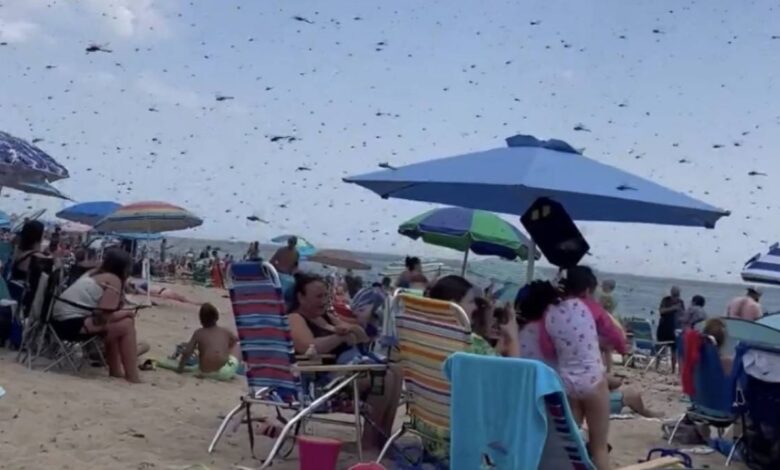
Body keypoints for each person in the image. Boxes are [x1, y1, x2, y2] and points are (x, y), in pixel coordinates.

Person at [287, 273, 401, 449]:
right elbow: (309, 348)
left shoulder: (325, 316)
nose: (324, 300)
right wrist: (340, 337)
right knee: (383, 377)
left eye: (326, 295)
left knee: (397, 371)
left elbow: (362, 339)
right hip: (321, 381)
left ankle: (383, 438)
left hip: (343, 371)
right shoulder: (295, 318)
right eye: (318, 296)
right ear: (301, 297)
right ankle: (369, 442)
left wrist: (353, 328)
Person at [517, 281, 611, 470]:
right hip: (589, 385)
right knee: (599, 446)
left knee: (569, 445)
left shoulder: (521, 336)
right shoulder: (562, 315)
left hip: (554, 401)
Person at [51, 248, 141, 383]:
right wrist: (127, 313)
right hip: (70, 325)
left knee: (122, 325)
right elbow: (102, 318)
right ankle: (132, 376)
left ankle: (116, 371)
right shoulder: (113, 280)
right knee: (126, 325)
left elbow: (101, 314)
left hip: (57, 322)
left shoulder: (93, 273)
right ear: (124, 268)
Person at [427, 275, 520, 358]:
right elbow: (516, 373)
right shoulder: (469, 341)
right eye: (471, 302)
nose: (475, 307)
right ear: (454, 306)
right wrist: (513, 337)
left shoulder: (424, 331)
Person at [176, 303, 240, 380]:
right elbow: (236, 341)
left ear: (201, 320)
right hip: (223, 372)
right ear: (217, 317)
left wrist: (180, 369)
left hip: (204, 372)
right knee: (238, 346)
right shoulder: (225, 331)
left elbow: (187, 352)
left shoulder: (198, 333)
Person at [658, 286, 685, 373]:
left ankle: (674, 370)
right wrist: (673, 308)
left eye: (677, 296)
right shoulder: (666, 300)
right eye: (674, 295)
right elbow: (661, 311)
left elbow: (683, 314)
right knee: (661, 347)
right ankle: (657, 365)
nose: (675, 298)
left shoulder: (681, 302)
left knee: (674, 349)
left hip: (675, 328)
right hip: (664, 327)